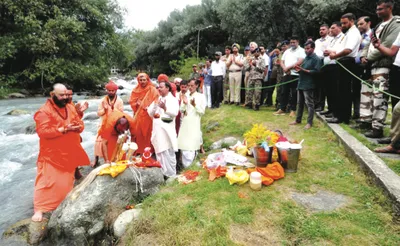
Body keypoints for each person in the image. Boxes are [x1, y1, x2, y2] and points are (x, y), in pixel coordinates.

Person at [32, 83, 90, 222]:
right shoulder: (44, 111)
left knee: (66, 182)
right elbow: (43, 132)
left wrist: (78, 128)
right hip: (51, 154)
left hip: (69, 151)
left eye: (66, 94)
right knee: (46, 181)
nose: (65, 97)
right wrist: (63, 129)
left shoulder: (70, 107)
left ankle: (60, 203)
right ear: (53, 95)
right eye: (61, 95)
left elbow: (79, 122)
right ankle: (39, 209)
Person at [359, 0, 400, 137]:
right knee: (367, 95)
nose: (377, 12)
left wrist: (369, 58)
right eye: (377, 9)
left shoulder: (395, 24)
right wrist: (364, 56)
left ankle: (377, 128)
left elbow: (388, 45)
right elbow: (368, 43)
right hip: (371, 65)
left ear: (389, 8)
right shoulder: (377, 25)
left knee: (379, 97)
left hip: (383, 64)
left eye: (381, 9)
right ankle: (366, 122)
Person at [327, 13, 361, 124]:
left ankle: (343, 117)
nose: (343, 25)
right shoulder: (348, 33)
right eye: (342, 23)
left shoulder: (354, 33)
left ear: (352, 21)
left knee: (344, 91)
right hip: (342, 61)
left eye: (345, 22)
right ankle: (339, 115)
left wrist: (335, 56)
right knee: (340, 90)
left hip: (347, 62)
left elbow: (348, 50)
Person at [147, 81, 179, 177]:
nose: (159, 89)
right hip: (157, 130)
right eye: (158, 87)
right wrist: (155, 105)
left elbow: (175, 113)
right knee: (160, 152)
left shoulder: (173, 100)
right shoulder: (158, 99)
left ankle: (171, 174)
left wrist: (165, 108)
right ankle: (162, 174)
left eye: (161, 87)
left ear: (168, 88)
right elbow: (150, 113)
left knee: (168, 152)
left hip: (167, 131)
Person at [290, 41, 322, 129]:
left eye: (308, 48)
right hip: (301, 83)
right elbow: (303, 69)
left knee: (309, 104)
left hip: (309, 84)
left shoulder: (316, 59)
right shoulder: (306, 58)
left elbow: (316, 72)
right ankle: (298, 119)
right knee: (299, 103)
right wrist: (298, 69)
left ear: (313, 48)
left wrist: (303, 70)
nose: (306, 50)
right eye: (305, 48)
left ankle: (309, 122)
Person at [93, 80, 124, 166]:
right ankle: (96, 160)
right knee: (98, 141)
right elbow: (98, 113)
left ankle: (113, 157)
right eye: (109, 91)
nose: (110, 92)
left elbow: (121, 113)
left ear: (115, 91)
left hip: (115, 124)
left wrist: (113, 109)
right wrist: (105, 109)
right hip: (104, 123)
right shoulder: (103, 100)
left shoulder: (119, 101)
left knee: (114, 142)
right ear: (107, 91)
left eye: (112, 91)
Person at [275, 36, 306, 116]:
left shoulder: (301, 50)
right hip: (286, 74)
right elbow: (282, 61)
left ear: (298, 42)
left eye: (294, 42)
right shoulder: (287, 51)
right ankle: (282, 108)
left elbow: (299, 62)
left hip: (295, 74)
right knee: (284, 92)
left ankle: (293, 110)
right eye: (291, 42)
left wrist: (288, 68)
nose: (292, 44)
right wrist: (285, 68)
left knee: (294, 93)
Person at [178, 79, 206, 167]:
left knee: (192, 143)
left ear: (197, 86)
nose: (190, 87)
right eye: (189, 86)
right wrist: (185, 103)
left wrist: (194, 105)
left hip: (194, 122)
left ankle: (191, 164)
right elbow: (181, 110)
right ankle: (186, 165)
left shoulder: (201, 96)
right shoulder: (186, 95)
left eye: (192, 86)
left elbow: (202, 112)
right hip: (185, 122)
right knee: (184, 143)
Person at [129, 73, 159, 154]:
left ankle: (149, 151)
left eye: (144, 80)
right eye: (140, 80)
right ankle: (138, 150)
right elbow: (131, 102)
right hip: (138, 114)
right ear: (138, 81)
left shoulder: (152, 89)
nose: (142, 82)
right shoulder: (135, 90)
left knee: (149, 133)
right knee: (138, 132)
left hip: (149, 115)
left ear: (147, 80)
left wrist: (146, 106)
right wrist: (136, 104)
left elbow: (156, 101)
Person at [314, 24, 333, 111]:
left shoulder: (331, 40)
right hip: (317, 62)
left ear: (328, 30)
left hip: (327, 62)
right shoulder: (317, 41)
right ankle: (318, 104)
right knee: (318, 85)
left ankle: (328, 106)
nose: (321, 31)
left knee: (326, 85)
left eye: (323, 29)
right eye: (320, 30)